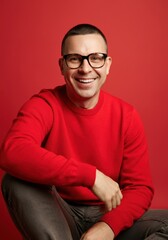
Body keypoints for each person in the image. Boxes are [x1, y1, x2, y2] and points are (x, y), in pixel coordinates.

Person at [0, 23, 168, 240]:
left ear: (107, 65)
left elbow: (140, 188)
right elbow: (13, 151)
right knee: (15, 180)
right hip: (57, 213)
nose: (85, 68)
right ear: (62, 66)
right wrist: (91, 176)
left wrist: (107, 228)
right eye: (74, 58)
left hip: (109, 214)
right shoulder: (44, 104)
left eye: (96, 57)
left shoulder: (126, 115)